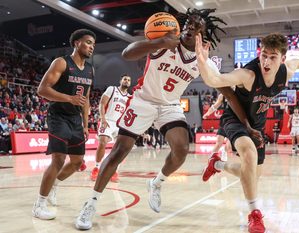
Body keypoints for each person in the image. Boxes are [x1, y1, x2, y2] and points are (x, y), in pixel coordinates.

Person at [75, 8, 226, 230]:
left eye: (196, 29)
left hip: (169, 105)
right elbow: (127, 53)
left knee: (182, 149)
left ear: (203, 35)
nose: (190, 30)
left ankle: (156, 183)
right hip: (143, 100)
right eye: (188, 26)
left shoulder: (203, 60)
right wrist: (159, 43)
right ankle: (91, 203)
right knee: (119, 151)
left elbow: (221, 85)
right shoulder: (163, 43)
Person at [195, 32, 299, 233]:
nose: (266, 61)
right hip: (235, 120)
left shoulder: (286, 71)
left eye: (272, 57)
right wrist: (202, 61)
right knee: (249, 152)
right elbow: (216, 79)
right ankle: (255, 215)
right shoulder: (248, 75)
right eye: (263, 55)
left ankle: (217, 163)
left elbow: (298, 63)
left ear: (282, 60)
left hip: (257, 125)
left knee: (249, 176)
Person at [32, 29, 96, 220]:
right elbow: (42, 90)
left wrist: (85, 125)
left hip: (76, 119)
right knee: (58, 160)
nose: (92, 47)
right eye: (88, 42)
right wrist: (69, 98)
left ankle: (55, 184)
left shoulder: (91, 69)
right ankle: (39, 204)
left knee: (77, 163)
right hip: (58, 116)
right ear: (77, 43)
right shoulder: (61, 62)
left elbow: (85, 99)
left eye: (93, 44)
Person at [90, 74, 132, 182]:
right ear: (120, 80)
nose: (126, 81)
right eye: (125, 79)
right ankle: (97, 167)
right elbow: (102, 103)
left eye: (128, 80)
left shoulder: (130, 97)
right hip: (108, 120)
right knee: (102, 142)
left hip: (119, 124)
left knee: (121, 148)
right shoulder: (112, 89)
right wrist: (102, 118)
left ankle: (114, 170)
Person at [203, 93, 232, 160]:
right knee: (218, 143)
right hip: (224, 120)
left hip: (234, 122)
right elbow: (214, 106)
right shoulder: (222, 95)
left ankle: (224, 151)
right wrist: (207, 113)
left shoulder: (239, 92)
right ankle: (210, 160)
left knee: (229, 145)